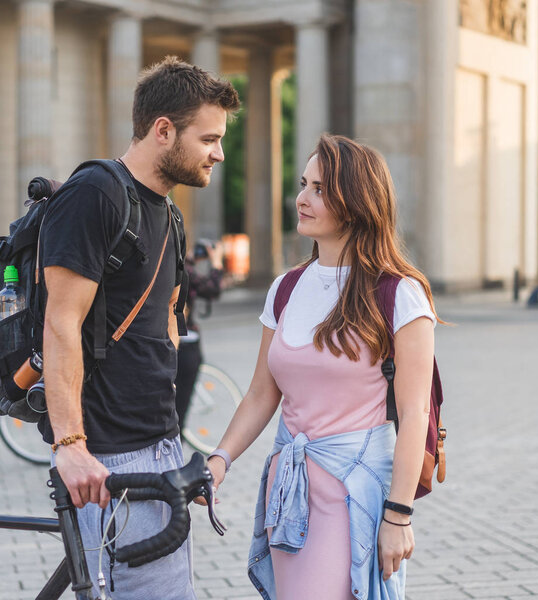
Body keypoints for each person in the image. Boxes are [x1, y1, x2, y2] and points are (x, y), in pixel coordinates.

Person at [38, 56, 239, 599]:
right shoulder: (95, 195)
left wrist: (174, 452)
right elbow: (60, 322)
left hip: (157, 447)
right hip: (107, 455)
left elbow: (167, 329)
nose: (220, 153)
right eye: (210, 138)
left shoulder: (168, 213)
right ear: (163, 130)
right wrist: (71, 445)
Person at [206, 134, 440, 599]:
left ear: (355, 203)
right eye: (303, 184)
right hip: (288, 491)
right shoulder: (286, 289)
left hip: (355, 493)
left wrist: (399, 514)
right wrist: (220, 459)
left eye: (319, 189)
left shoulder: (399, 294)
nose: (301, 198)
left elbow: (414, 415)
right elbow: (261, 393)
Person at [175, 240, 224, 428]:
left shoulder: (169, 265)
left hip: (166, 343)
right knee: (179, 411)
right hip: (185, 344)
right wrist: (217, 262)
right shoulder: (185, 271)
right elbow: (212, 289)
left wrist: (189, 258)